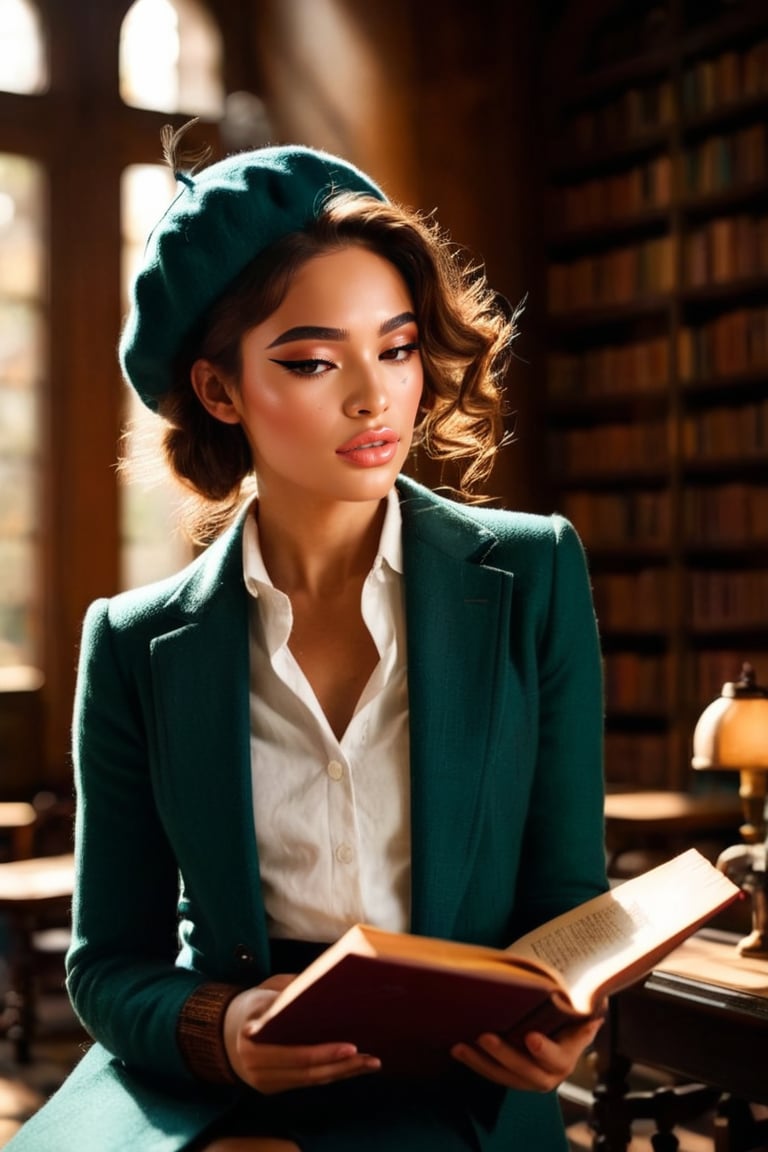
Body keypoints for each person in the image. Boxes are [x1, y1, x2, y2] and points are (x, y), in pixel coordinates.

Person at [7, 132, 607, 1152]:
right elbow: (107, 966)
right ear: (220, 391)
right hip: (223, 1097)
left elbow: (567, 899)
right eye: (315, 360)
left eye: (400, 346)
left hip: (458, 1093)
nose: (375, 397)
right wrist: (220, 1031)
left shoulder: (534, 574)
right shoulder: (133, 643)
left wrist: (571, 1014)